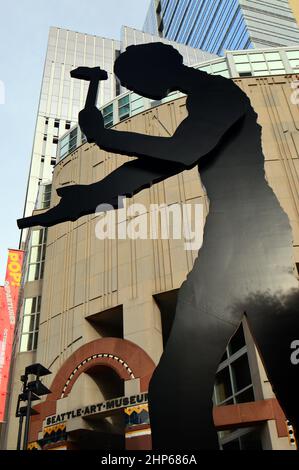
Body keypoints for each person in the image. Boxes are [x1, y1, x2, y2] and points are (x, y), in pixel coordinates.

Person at [18, 43, 299, 449]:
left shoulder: (218, 93)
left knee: (269, 368)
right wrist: (81, 201)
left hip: (251, 236)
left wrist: (104, 137)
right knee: (177, 387)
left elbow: (183, 152)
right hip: (231, 238)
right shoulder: (202, 98)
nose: (132, 88)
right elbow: (146, 170)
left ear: (158, 68)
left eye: (132, 81)